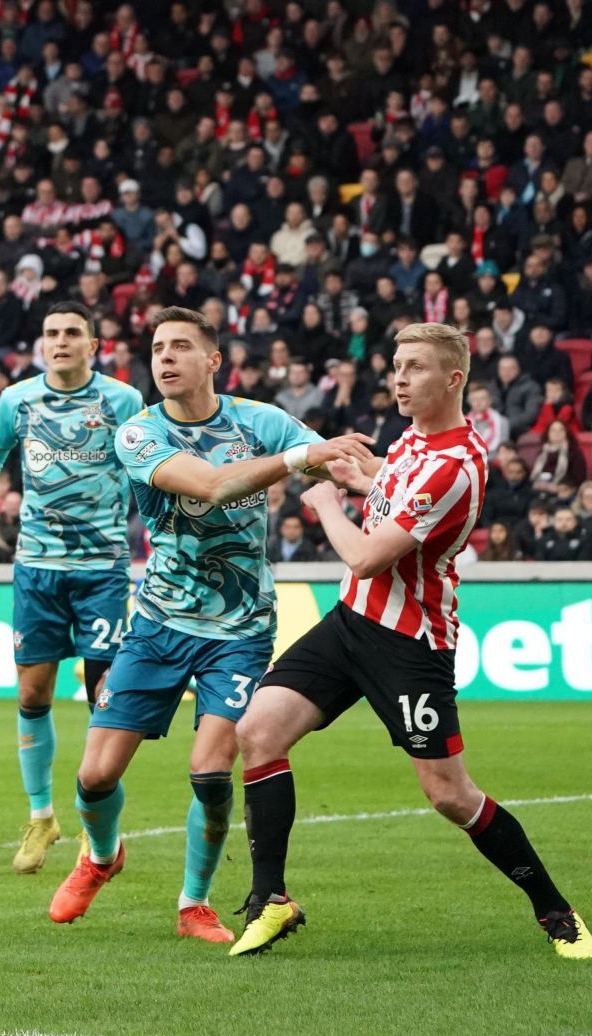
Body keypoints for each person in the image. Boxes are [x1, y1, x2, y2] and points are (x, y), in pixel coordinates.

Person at [230, 322, 592, 961]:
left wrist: (323, 503)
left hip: (409, 643)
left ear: (454, 379)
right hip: (350, 624)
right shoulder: (413, 442)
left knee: (448, 793)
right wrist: (357, 472)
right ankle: (271, 900)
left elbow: (368, 557)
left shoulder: (456, 464)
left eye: (416, 367)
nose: (399, 378)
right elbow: (390, 486)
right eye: (397, 364)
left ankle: (556, 911)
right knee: (258, 731)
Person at [47, 305, 372, 944]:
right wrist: (300, 456)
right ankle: (102, 855)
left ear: (213, 360)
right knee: (94, 776)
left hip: (241, 628)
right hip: (158, 622)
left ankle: (193, 903)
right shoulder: (138, 435)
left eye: (179, 348)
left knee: (210, 772)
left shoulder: (262, 422)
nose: (164, 359)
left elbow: (338, 467)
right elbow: (215, 485)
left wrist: (387, 480)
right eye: (157, 348)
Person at [0, 303, 145, 875]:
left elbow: (149, 474)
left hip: (102, 569)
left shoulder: (123, 402)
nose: (60, 341)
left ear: (93, 344)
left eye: (72, 333)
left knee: (105, 700)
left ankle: (96, 825)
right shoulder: (17, 399)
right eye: (52, 333)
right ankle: (41, 817)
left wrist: (158, 544)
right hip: (36, 568)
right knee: (33, 695)